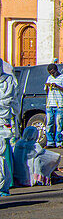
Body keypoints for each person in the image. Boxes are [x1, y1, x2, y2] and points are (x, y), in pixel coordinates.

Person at [44, 63, 63, 148]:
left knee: (59, 124)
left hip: (60, 104)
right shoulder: (49, 78)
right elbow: (46, 91)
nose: (52, 74)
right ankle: (50, 142)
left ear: (56, 70)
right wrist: (48, 87)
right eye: (50, 73)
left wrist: (57, 86)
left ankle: (59, 142)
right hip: (50, 104)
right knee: (49, 124)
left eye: (53, 72)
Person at [0, 61, 15, 196]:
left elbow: (8, 98)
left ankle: (5, 185)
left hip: (4, 120)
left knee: (4, 154)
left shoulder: (8, 79)